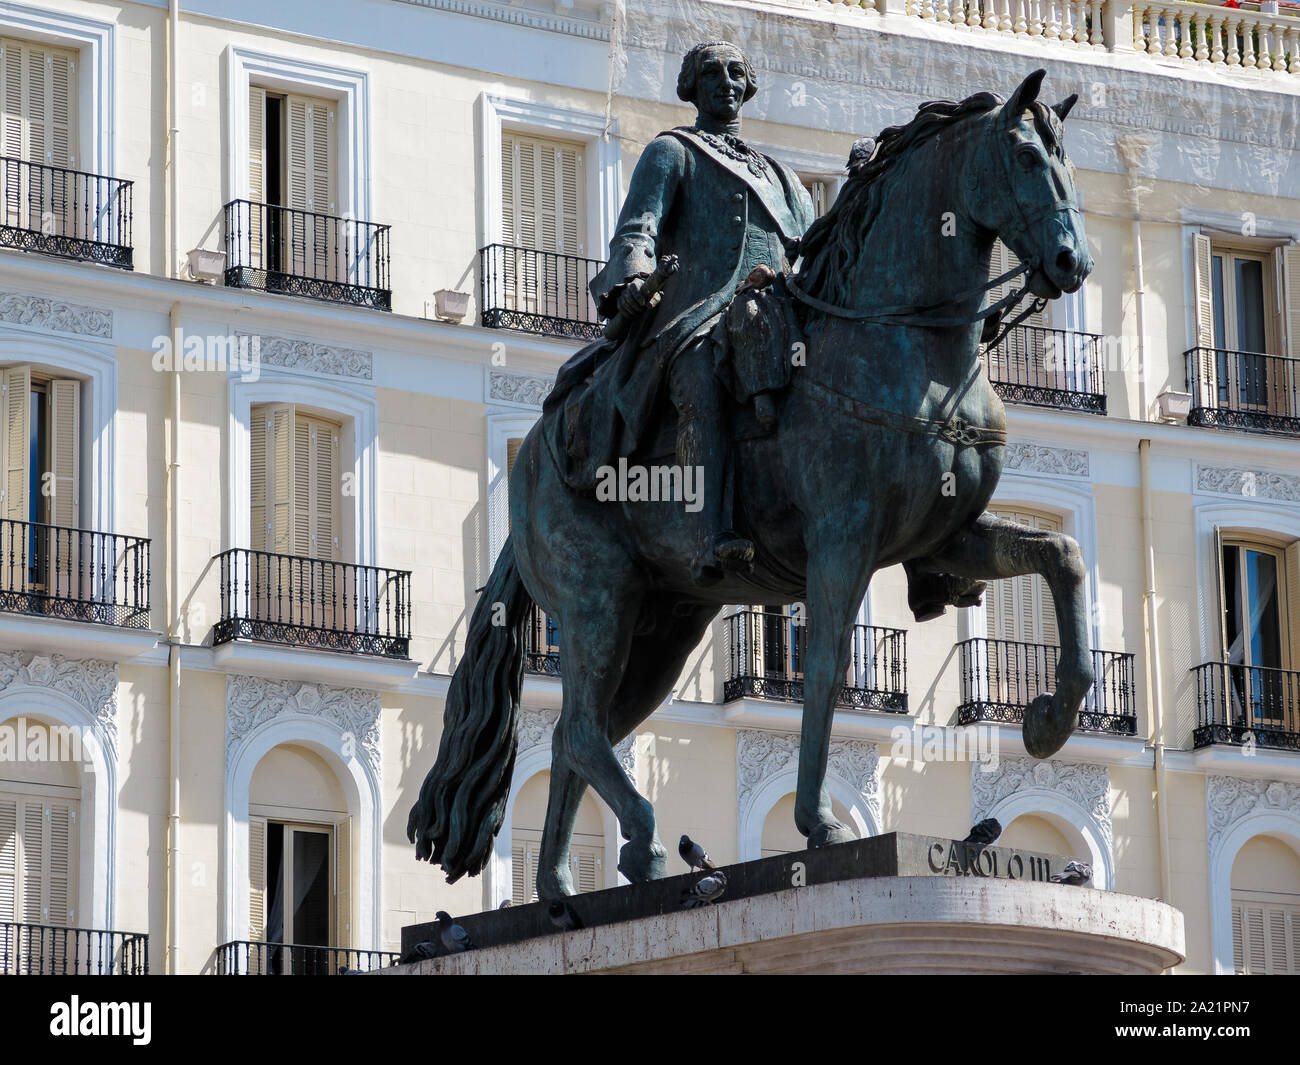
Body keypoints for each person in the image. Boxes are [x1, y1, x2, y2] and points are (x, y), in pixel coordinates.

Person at [577, 41, 814, 579]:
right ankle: (706, 530)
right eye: (712, 73)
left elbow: (812, 250)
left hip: (777, 310)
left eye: (736, 73)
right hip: (699, 311)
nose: (726, 83)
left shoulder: (782, 178)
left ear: (748, 86)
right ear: (692, 86)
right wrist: (633, 279)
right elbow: (639, 227)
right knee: (701, 380)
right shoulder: (672, 151)